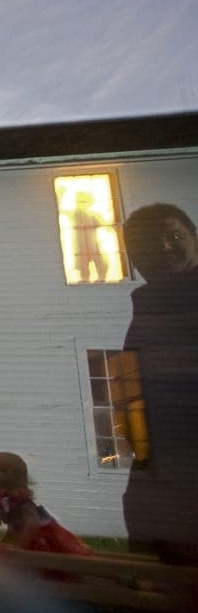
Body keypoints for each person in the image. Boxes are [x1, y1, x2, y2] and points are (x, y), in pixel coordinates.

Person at [120, 203, 198, 565]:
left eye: (175, 236)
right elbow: (130, 403)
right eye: (151, 243)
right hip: (160, 503)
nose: (165, 248)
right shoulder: (147, 314)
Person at [0, 452, 90, 554]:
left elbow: (32, 524)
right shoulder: (3, 498)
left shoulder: (20, 500)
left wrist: (19, 547)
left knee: (54, 553)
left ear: (12, 476)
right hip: (23, 535)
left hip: (40, 537)